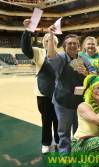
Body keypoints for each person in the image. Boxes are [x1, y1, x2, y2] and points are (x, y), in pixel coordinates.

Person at [47, 25, 95, 153]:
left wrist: (87, 73)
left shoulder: (83, 58)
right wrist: (51, 36)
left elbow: (95, 75)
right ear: (64, 46)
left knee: (79, 130)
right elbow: (51, 56)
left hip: (80, 102)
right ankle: (65, 155)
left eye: (75, 43)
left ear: (79, 46)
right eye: (70, 44)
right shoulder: (61, 58)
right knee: (64, 131)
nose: (73, 46)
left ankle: (77, 152)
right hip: (64, 102)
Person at [21, 19, 59, 154]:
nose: (49, 42)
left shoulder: (61, 55)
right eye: (47, 40)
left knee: (58, 119)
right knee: (46, 119)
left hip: (58, 94)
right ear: (44, 42)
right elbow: (26, 49)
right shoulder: (38, 52)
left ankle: (59, 141)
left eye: (52, 40)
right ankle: (46, 142)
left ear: (56, 43)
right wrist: (27, 31)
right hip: (43, 93)